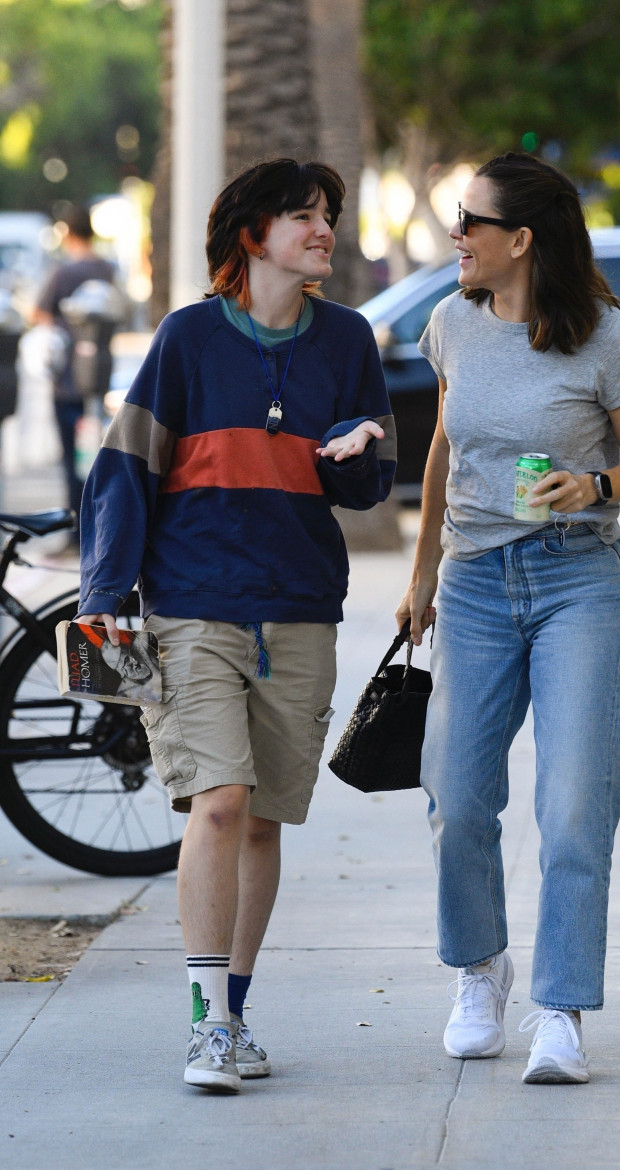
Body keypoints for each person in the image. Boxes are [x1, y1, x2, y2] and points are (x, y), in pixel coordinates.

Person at [76, 158, 396, 1092]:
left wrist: (355, 453)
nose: (324, 230)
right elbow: (126, 469)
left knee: (261, 822)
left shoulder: (347, 342)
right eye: (303, 216)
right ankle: (206, 1023)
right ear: (253, 236)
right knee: (216, 802)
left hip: (298, 608)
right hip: (193, 606)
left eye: (328, 214)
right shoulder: (186, 340)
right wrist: (105, 595)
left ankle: (237, 1010)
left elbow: (368, 486)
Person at [396, 152, 620, 1084]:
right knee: (458, 797)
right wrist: (422, 574)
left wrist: (591, 481)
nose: (454, 239)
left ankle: (561, 1008)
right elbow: (441, 449)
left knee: (574, 805)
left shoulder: (606, 337)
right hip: (472, 582)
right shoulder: (451, 325)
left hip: (578, 578)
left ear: (521, 240)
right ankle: (481, 971)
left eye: (469, 224)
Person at [32, 206, 118, 536]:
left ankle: (75, 529)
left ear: (69, 234)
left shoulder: (63, 273)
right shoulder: (107, 270)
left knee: (72, 462)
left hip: (67, 379)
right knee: (96, 458)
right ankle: (94, 528)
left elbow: (38, 311)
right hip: (97, 378)